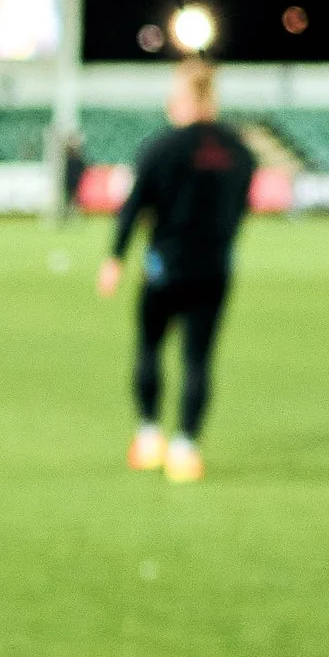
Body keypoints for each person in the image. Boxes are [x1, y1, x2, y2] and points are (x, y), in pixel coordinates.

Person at [97, 63, 255, 477]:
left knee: (150, 348)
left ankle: (149, 437)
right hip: (214, 268)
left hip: (164, 268)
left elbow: (134, 209)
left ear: (182, 98)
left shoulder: (161, 147)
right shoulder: (239, 151)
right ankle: (185, 447)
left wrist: (115, 259)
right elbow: (240, 210)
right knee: (198, 359)